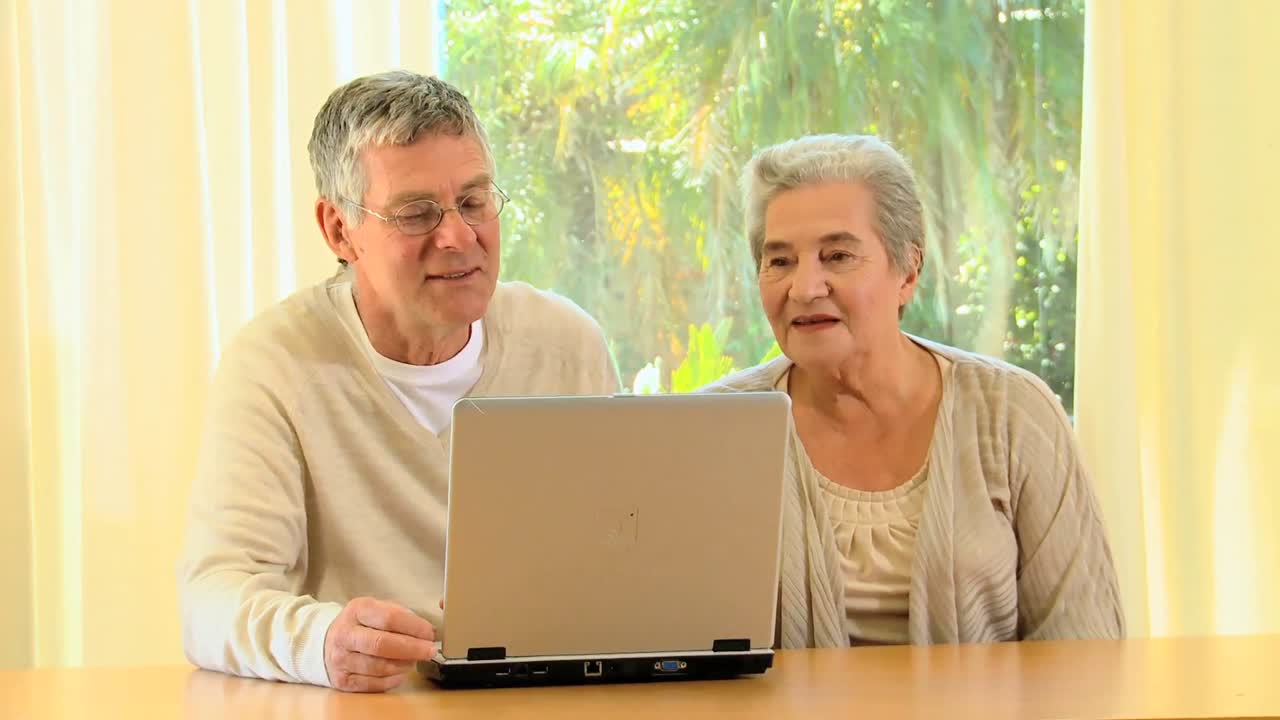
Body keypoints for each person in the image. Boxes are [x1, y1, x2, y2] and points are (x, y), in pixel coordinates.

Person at [178, 70, 620, 692]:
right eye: (416, 214)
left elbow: (618, 561)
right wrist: (325, 641)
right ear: (338, 231)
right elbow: (211, 598)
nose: (459, 237)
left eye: (474, 201)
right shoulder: (275, 363)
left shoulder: (567, 346)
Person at [702, 134, 1124, 648]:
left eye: (837, 256)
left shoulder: (1012, 413)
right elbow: (674, 648)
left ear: (908, 271)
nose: (804, 288)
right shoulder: (714, 427)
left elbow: (1085, 644)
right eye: (781, 261)